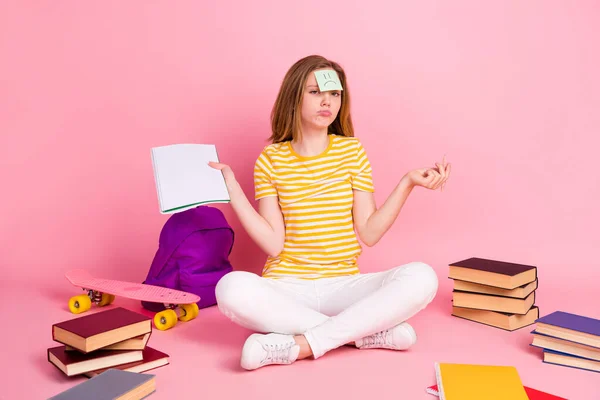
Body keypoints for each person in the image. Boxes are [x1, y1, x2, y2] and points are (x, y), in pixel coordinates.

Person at [209, 55, 451, 371]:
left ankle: (301, 345)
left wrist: (407, 183)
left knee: (422, 276)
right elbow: (273, 245)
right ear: (293, 96)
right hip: (287, 287)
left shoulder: (352, 151)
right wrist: (232, 190)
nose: (327, 102)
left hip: (343, 285)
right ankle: (360, 335)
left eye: (335, 94)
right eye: (315, 92)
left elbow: (369, 232)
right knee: (230, 287)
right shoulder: (271, 159)